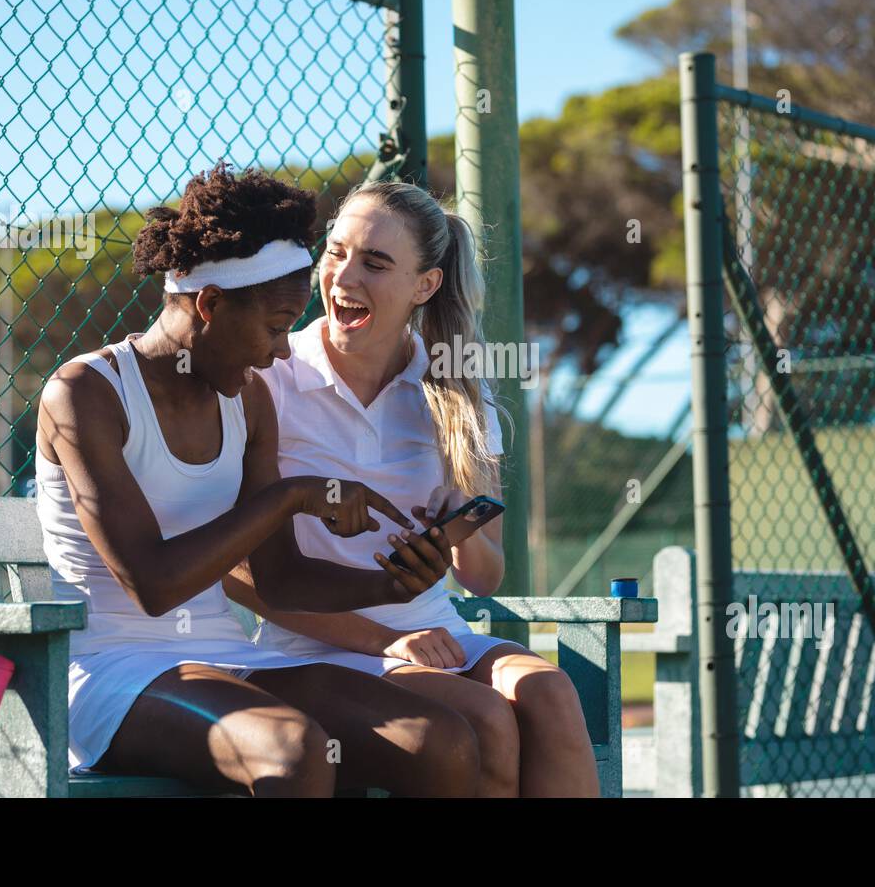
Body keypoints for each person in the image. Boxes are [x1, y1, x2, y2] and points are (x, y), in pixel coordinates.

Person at [34, 162, 481, 796]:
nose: (280, 351)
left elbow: (281, 579)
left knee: (440, 738)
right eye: (275, 326)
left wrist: (390, 580)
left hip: (226, 659)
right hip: (108, 670)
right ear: (210, 305)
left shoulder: (246, 400)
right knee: (296, 750)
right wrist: (292, 497)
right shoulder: (86, 393)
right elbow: (153, 585)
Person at [233, 180, 600, 797]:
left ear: (424, 286)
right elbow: (245, 577)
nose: (344, 278)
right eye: (336, 252)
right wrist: (392, 641)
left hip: (437, 633)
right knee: (484, 719)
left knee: (550, 692)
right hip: (314, 648)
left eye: (375, 263)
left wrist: (462, 528)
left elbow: (485, 578)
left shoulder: (457, 390)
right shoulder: (270, 379)